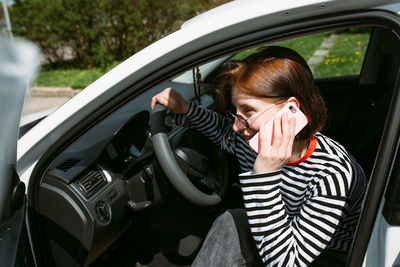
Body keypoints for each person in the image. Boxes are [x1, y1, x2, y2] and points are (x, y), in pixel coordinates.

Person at [151, 46, 367, 266]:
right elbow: (221, 130)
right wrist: (186, 108)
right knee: (229, 222)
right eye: (236, 110)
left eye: (248, 111)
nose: (237, 125)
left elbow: (286, 262)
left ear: (290, 109)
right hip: (277, 235)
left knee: (231, 221)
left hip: (329, 256)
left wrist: (264, 174)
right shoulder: (250, 142)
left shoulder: (333, 174)